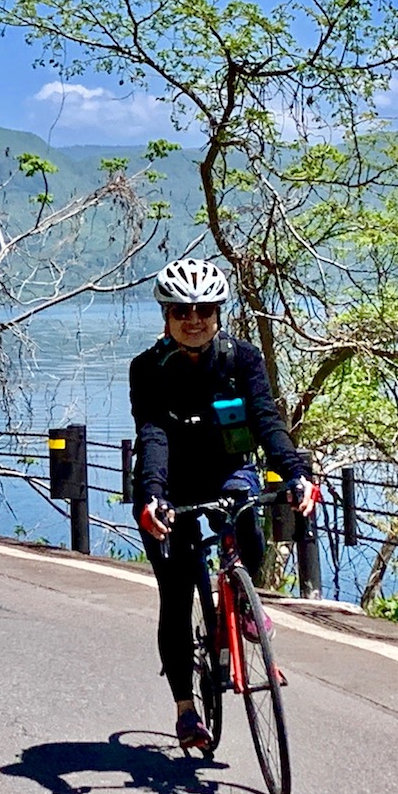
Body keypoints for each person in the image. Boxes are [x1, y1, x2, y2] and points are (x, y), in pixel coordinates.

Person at [129, 258, 317, 751]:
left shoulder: (241, 360)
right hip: (168, 485)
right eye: (182, 311)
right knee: (176, 594)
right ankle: (186, 710)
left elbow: (265, 420)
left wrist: (295, 473)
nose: (194, 320)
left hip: (228, 468)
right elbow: (151, 433)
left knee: (249, 534)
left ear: (218, 314)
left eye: (205, 310)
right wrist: (152, 496)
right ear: (167, 316)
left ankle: (241, 599)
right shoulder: (149, 368)